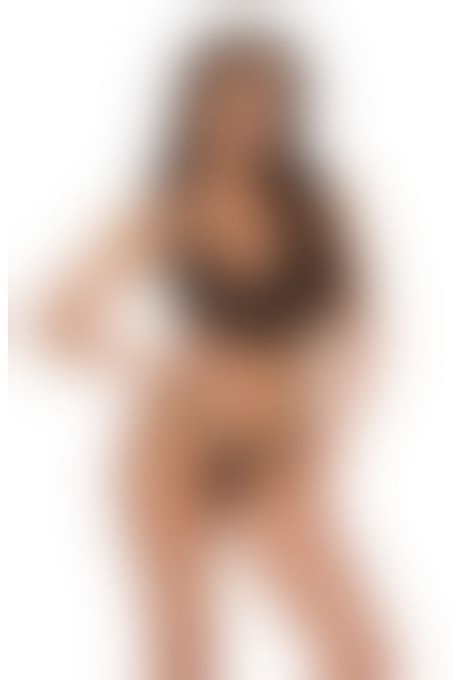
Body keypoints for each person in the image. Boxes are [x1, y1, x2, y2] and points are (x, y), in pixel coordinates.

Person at [43, 35, 387, 680]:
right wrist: (155, 367)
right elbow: (60, 316)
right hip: (177, 439)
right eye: (226, 102)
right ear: (196, 109)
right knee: (185, 653)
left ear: (284, 110)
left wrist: (334, 419)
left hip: (282, 439)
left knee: (361, 652)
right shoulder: (175, 207)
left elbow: (363, 329)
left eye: (260, 103)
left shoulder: (320, 209)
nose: (242, 119)